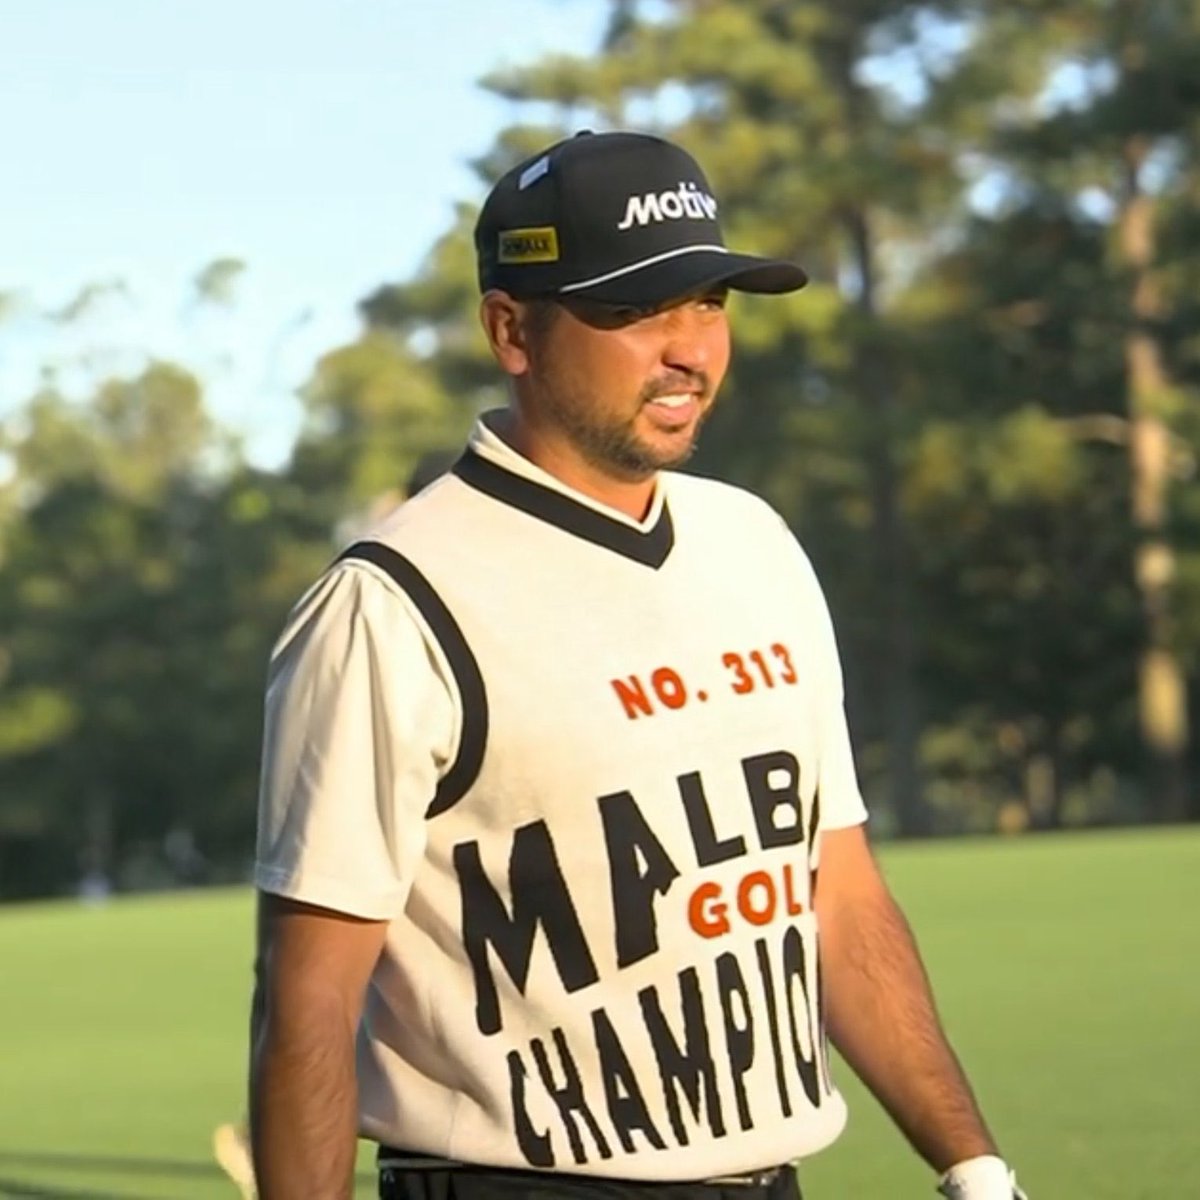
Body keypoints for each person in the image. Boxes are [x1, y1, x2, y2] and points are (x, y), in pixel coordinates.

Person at [250, 130, 1027, 1200]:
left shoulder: (754, 543)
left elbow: (836, 898)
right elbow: (308, 1000)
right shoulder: (388, 605)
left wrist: (973, 1165)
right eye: (633, 310)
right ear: (511, 330)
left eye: (708, 303)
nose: (689, 349)